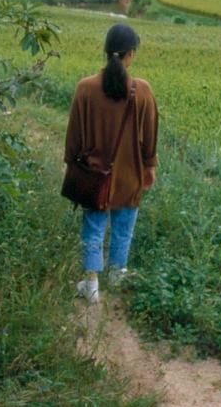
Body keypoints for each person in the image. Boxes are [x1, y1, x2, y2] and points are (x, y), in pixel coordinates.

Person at [64, 23, 159, 303]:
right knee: (123, 228)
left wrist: (71, 163)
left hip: (95, 175)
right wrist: (149, 167)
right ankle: (117, 276)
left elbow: (74, 134)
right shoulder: (142, 90)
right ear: (130, 54)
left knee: (93, 228)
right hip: (130, 175)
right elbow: (150, 136)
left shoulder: (85, 88)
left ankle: (92, 285)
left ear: (106, 51)